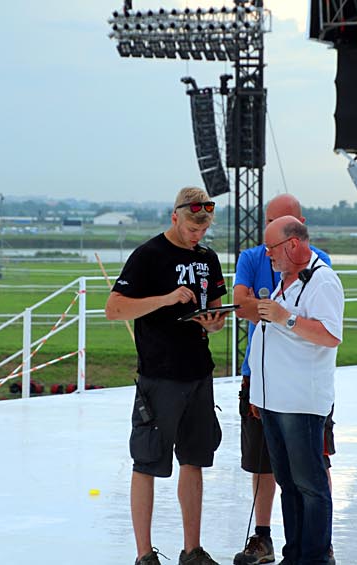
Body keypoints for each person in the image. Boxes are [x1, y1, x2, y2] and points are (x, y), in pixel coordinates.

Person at [107, 187, 229, 565]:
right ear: (174, 217)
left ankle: (192, 550)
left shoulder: (207, 258)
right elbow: (114, 309)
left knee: (195, 460)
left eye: (203, 230)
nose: (197, 236)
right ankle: (144, 555)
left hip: (199, 372)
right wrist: (165, 298)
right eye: (192, 228)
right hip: (160, 375)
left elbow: (217, 315)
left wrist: (214, 323)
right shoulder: (148, 255)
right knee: (146, 462)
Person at [231, 193, 334, 565]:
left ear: (292, 243)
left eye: (272, 247)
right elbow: (244, 308)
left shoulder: (322, 279)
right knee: (289, 483)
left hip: (300, 401)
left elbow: (329, 334)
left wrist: (283, 317)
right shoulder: (285, 280)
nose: (267, 254)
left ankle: (316, 554)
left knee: (310, 483)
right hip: (273, 399)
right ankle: (295, 553)